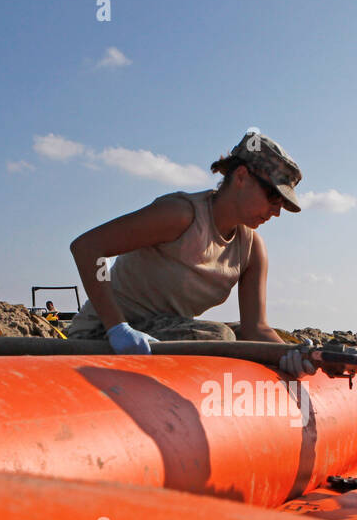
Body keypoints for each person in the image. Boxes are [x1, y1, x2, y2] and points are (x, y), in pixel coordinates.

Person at [66, 131, 301, 353]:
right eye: (273, 197)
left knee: (242, 335)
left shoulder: (252, 249)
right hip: (100, 336)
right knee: (219, 336)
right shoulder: (181, 215)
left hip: (162, 334)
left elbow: (256, 329)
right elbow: (88, 248)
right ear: (241, 176)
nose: (276, 212)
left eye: (282, 204)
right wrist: (117, 328)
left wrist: (298, 355)